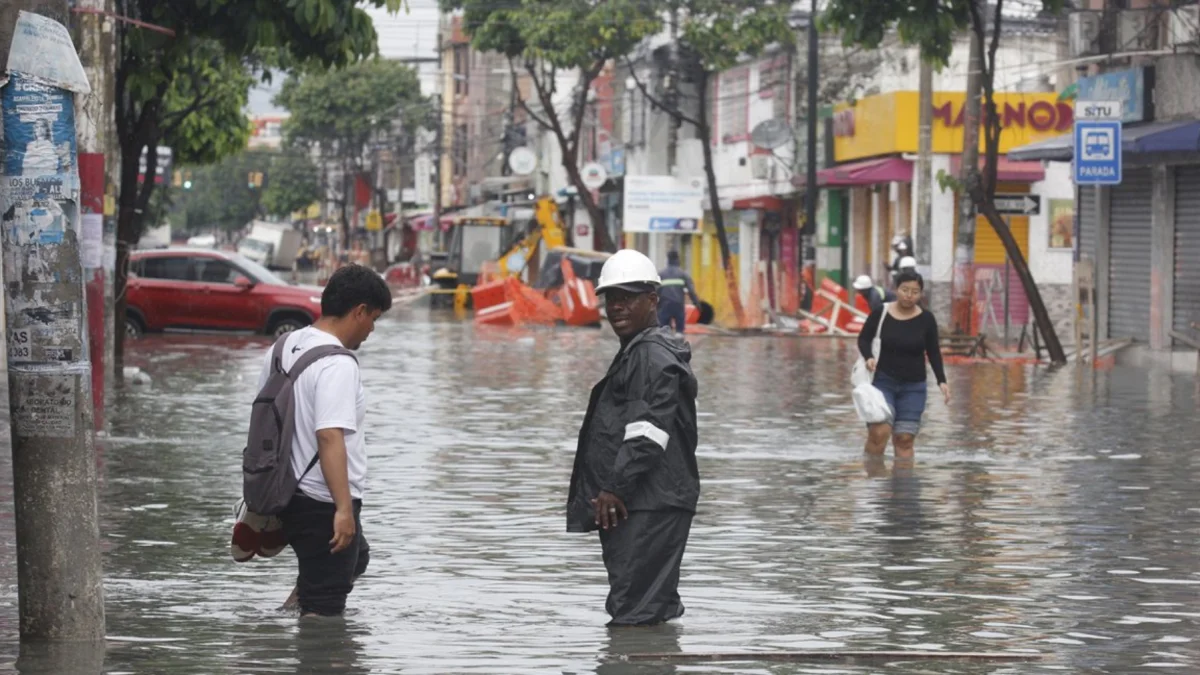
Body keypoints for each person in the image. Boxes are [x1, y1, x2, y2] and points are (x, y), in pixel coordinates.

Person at [568, 249, 700, 627]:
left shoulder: (650, 356)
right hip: (645, 502)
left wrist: (615, 488)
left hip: (647, 503)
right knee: (643, 606)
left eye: (629, 297)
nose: (618, 307)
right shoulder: (641, 351)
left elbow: (647, 431)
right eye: (612, 298)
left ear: (653, 300)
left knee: (634, 611)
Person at [261, 264, 392, 617]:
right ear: (359, 311)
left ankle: (294, 603)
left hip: (286, 493)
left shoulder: (284, 345)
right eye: (373, 319)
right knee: (324, 618)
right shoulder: (338, 363)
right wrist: (343, 509)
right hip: (322, 501)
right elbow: (329, 436)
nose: (371, 329)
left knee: (356, 557)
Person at [857, 270, 950, 459]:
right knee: (879, 432)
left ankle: (904, 486)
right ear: (896, 289)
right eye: (904, 289)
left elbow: (933, 351)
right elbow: (864, 339)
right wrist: (868, 357)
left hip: (914, 386)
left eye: (915, 291)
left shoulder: (926, 319)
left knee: (905, 438)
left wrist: (942, 381)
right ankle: (874, 479)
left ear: (921, 294)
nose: (909, 295)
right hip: (882, 382)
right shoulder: (881, 312)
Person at [657, 250, 701, 333]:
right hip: (678, 306)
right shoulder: (683, 274)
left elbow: (655, 291)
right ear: (678, 259)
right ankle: (679, 343)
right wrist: (697, 305)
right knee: (679, 332)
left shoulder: (661, 275)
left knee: (663, 331)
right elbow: (691, 291)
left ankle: (665, 343)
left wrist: (656, 306)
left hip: (664, 306)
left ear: (668, 259)